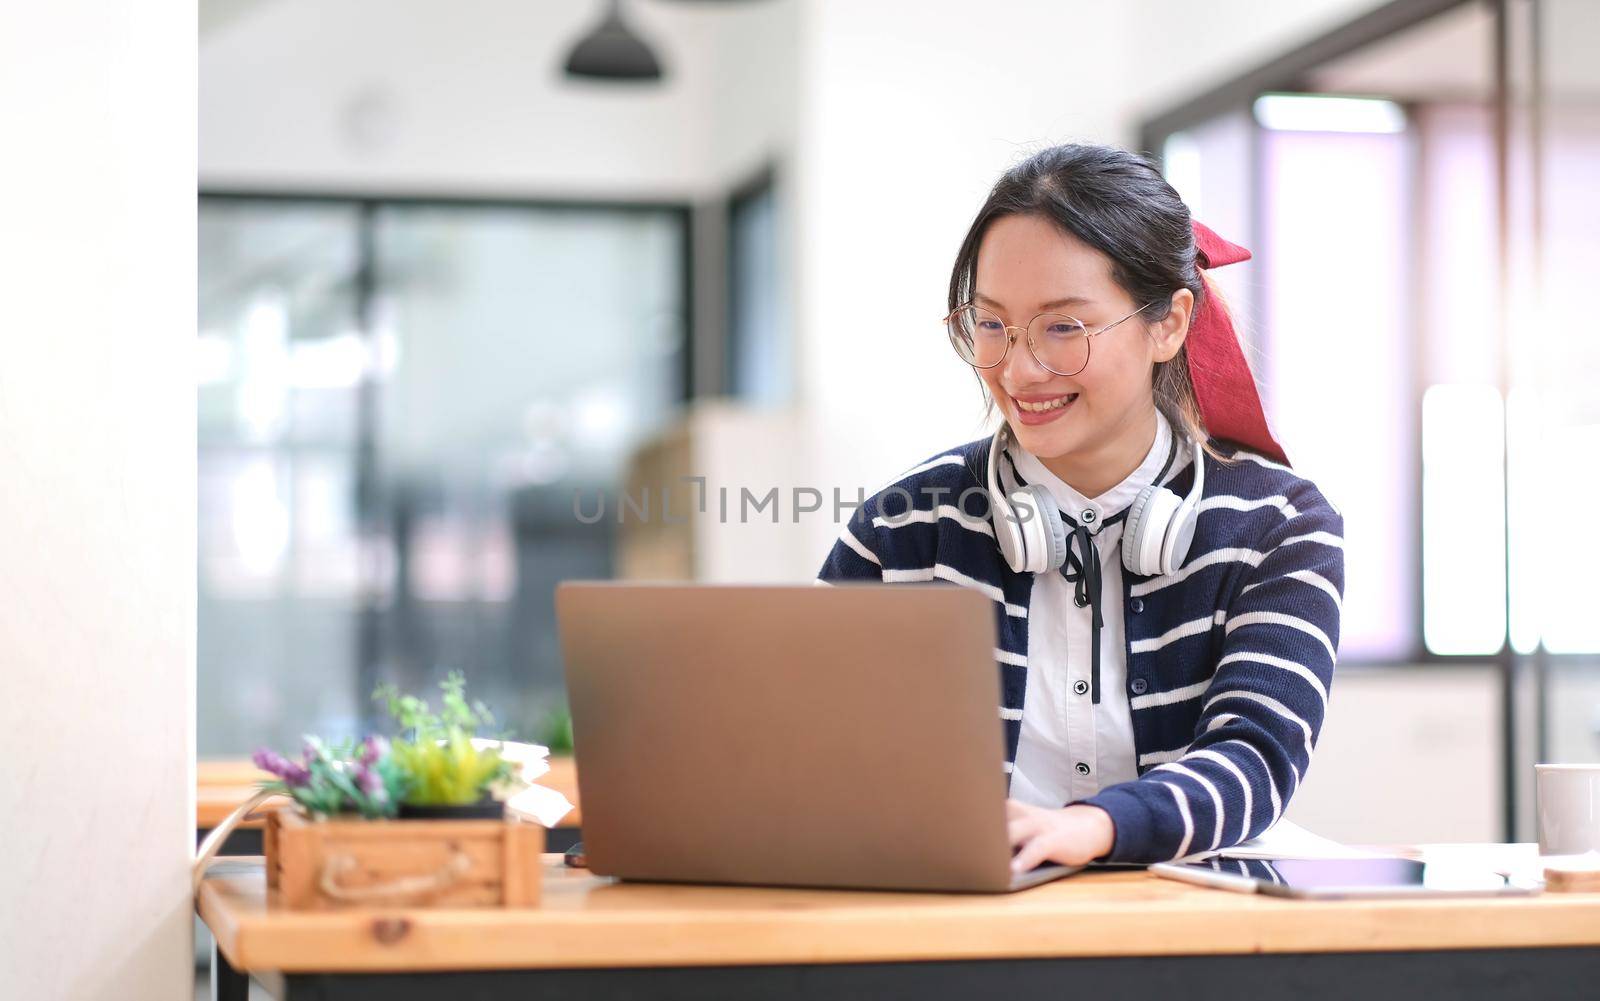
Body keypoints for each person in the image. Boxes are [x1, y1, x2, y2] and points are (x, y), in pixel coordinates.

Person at [816, 143, 1344, 869]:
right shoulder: (902, 529)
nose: (1019, 367)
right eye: (993, 324)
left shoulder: (1278, 527)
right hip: (961, 929)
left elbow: (1256, 755)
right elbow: (804, 749)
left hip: (1188, 934)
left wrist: (1095, 826)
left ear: (1169, 323)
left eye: (1064, 327)